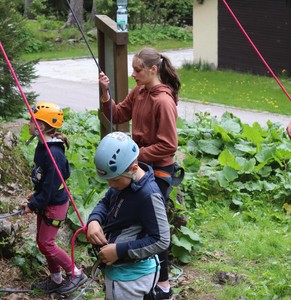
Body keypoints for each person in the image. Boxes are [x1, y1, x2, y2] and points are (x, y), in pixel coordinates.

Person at [98, 47, 181, 299]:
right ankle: (136, 268)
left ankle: (163, 284)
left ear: (153, 70)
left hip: (157, 170)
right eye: (132, 69)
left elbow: (169, 145)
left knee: (153, 228)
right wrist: (105, 93)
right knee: (134, 221)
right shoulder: (140, 92)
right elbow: (117, 114)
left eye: (137, 69)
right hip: (135, 164)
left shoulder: (163, 101)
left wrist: (134, 154)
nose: (133, 74)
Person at [86, 131, 170, 300]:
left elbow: (161, 239)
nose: (110, 184)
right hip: (121, 270)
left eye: (114, 180)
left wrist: (119, 250)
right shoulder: (123, 183)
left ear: (133, 169)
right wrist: (94, 220)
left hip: (131, 277)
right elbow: (105, 202)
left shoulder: (148, 195)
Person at [22, 102, 87, 295]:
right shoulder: (42, 146)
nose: (28, 124)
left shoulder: (54, 154)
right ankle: (56, 278)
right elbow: (45, 178)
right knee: (42, 242)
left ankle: (75, 273)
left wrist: (33, 205)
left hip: (54, 205)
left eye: (31, 121)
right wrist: (36, 193)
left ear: (40, 127)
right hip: (46, 201)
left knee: (46, 243)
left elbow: (52, 186)